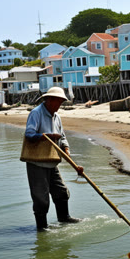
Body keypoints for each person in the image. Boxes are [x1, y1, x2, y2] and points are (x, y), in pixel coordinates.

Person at [24, 87, 83, 230]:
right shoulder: (36, 113)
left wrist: (66, 151)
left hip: (51, 161)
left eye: (61, 102)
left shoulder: (56, 117)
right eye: (58, 102)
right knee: (41, 199)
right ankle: (42, 228)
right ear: (49, 100)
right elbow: (29, 134)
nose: (60, 106)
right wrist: (47, 137)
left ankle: (64, 218)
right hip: (37, 162)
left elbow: (62, 137)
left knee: (61, 192)